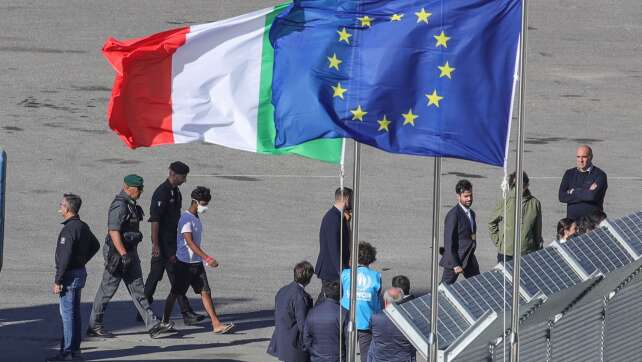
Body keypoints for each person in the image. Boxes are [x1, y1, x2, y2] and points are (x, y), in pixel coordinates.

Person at [87, 175, 174, 339]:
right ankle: (94, 325)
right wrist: (123, 254)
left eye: (141, 189)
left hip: (129, 252)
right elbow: (113, 231)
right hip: (118, 254)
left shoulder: (130, 204)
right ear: (127, 187)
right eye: (138, 189)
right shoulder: (119, 205)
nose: (141, 192)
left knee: (138, 290)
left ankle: (153, 325)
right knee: (107, 290)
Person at [161, 186, 233, 334]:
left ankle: (216, 324)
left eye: (206, 204)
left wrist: (201, 260)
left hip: (196, 263)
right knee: (174, 293)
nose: (205, 207)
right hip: (184, 265)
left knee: (205, 292)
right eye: (203, 203)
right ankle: (164, 321)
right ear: (195, 202)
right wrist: (206, 257)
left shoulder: (195, 217)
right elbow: (189, 242)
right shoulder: (186, 219)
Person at [142, 161, 204, 325]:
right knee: (175, 276)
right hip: (163, 244)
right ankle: (186, 313)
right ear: (172, 174)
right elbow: (155, 221)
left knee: (155, 277)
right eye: (183, 177)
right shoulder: (161, 193)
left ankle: (142, 309)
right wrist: (156, 245)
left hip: (172, 242)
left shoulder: (175, 192)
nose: (184, 180)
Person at [48, 194, 100, 362]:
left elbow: (64, 257)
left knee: (68, 315)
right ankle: (75, 350)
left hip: (69, 276)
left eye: (61, 204)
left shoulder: (69, 229)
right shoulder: (82, 226)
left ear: (68, 209)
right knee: (74, 314)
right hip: (79, 273)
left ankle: (68, 352)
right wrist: (82, 260)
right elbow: (95, 245)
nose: (59, 206)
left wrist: (58, 280)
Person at [488, 172, 544, 263]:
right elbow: (491, 223)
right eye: (515, 185)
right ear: (512, 185)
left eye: (522, 185)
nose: (519, 188)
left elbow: (537, 229)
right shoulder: (505, 201)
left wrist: (538, 247)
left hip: (527, 253)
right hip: (507, 254)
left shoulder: (535, 203)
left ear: (527, 185)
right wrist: (499, 242)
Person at [340, 241, 382, 362]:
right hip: (367, 320)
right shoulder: (376, 276)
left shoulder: (346, 274)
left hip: (348, 318)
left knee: (348, 352)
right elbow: (377, 299)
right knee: (366, 354)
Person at [268, 261, 314, 362]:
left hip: (282, 339)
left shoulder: (283, 290)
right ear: (308, 278)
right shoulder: (300, 296)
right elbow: (303, 324)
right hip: (295, 343)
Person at [439, 180, 480, 285]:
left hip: (469, 258)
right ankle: (433, 301)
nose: (469, 199)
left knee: (478, 284)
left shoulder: (471, 213)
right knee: (444, 288)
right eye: (466, 196)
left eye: (470, 195)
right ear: (458, 196)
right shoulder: (453, 215)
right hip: (455, 259)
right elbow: (449, 242)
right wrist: (455, 264)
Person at [315, 187, 352, 301]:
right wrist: (341, 271)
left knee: (329, 299)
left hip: (334, 268)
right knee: (328, 299)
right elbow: (333, 247)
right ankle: (314, 316)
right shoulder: (333, 218)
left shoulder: (338, 217)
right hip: (331, 269)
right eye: (351, 200)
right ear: (346, 199)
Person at [558, 145, 608, 221]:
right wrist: (586, 191)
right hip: (573, 224)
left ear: (591, 157)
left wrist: (573, 191)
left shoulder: (600, 175)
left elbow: (591, 196)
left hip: (592, 224)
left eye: (584, 157)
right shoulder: (569, 174)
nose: (580, 160)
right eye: (578, 157)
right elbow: (562, 196)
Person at [303, 280, 348, 362]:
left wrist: (312, 351)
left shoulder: (312, 312)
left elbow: (306, 337)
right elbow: (348, 340)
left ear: (324, 294)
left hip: (317, 357)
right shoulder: (344, 313)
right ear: (341, 296)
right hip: (338, 358)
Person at [367, 288, 416, 362]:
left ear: (385, 302)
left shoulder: (375, 318)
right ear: (401, 301)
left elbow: (371, 329)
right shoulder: (409, 320)